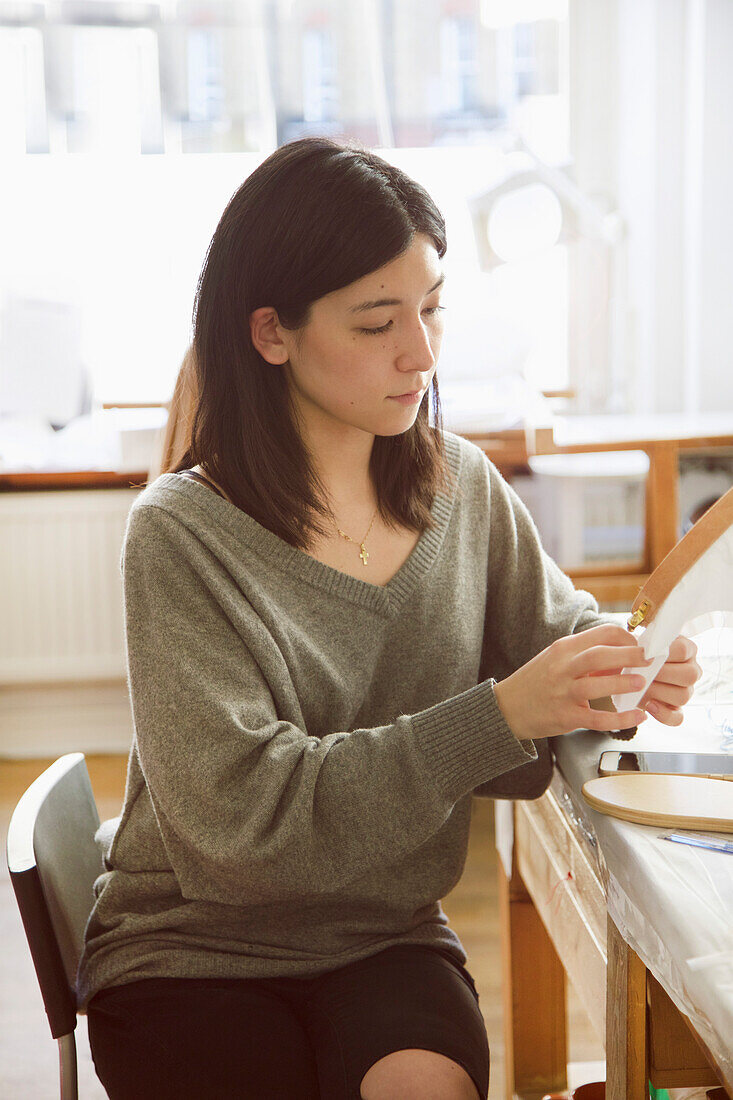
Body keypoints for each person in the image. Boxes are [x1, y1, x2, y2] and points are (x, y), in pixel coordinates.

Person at [79, 136, 700, 1100]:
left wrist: (625, 677)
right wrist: (498, 716)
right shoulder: (181, 536)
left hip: (383, 937)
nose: (420, 352)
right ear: (270, 333)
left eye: (432, 306)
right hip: (192, 956)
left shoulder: (464, 488)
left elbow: (559, 640)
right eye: (376, 323)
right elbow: (245, 834)